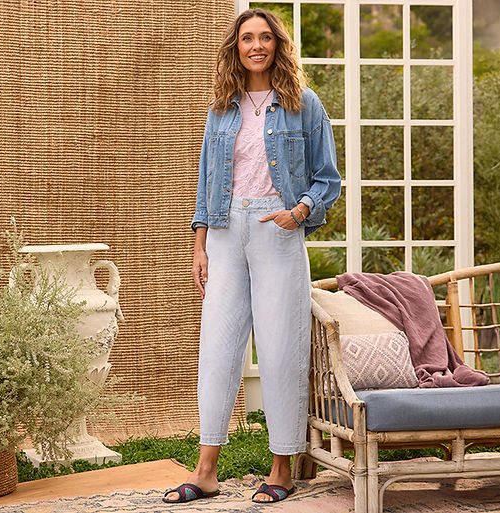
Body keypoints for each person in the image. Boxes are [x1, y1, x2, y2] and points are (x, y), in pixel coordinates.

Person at [163, 8, 341, 505]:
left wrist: (299, 210)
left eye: (265, 37)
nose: (256, 45)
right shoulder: (221, 107)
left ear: (278, 46)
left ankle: (281, 468)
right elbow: (205, 182)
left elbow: (328, 177)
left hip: (276, 232)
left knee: (281, 348)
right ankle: (205, 471)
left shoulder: (303, 104)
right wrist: (199, 243)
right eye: (247, 38)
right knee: (217, 349)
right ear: (235, 47)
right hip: (223, 232)